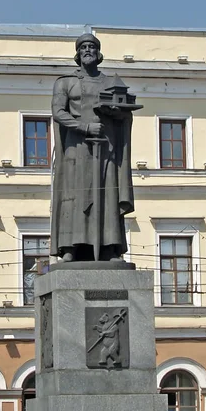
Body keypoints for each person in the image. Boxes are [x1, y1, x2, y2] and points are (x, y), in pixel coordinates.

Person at [50, 33, 134, 262]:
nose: (88, 50)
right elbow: (58, 112)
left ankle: (109, 247)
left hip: (106, 148)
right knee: (73, 195)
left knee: (106, 195)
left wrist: (118, 115)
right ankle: (70, 247)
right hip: (76, 149)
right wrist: (85, 127)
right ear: (77, 54)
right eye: (84, 47)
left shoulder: (110, 82)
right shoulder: (65, 82)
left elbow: (124, 110)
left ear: (99, 54)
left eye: (92, 47)